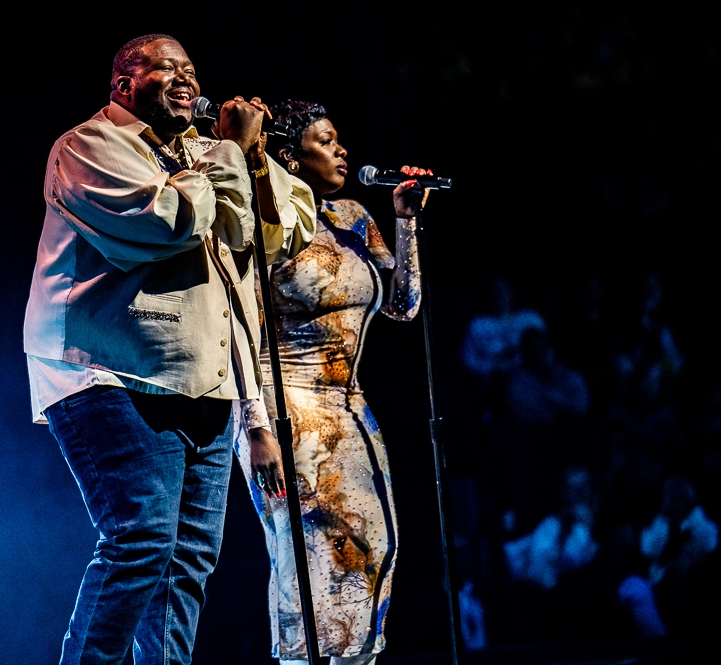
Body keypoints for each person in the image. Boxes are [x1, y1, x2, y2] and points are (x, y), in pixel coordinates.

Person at [23, 35, 316, 665]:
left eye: (191, 70)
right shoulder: (88, 146)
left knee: (188, 561)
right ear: (124, 84)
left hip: (201, 381)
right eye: (166, 69)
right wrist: (231, 151)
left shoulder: (201, 154)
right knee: (141, 542)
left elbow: (249, 247)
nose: (185, 80)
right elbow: (166, 224)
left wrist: (254, 413)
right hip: (108, 371)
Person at [235, 99, 427, 665]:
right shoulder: (264, 223)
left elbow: (403, 305)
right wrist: (255, 426)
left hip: (349, 404)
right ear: (290, 157)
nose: (341, 149)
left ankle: (358, 660)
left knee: (377, 541)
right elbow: (238, 329)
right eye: (325, 141)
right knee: (315, 548)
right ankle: (304, 659)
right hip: (285, 400)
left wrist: (406, 219)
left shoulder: (351, 218)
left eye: (339, 139)